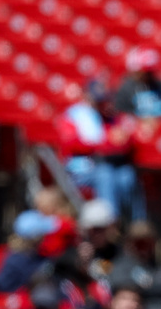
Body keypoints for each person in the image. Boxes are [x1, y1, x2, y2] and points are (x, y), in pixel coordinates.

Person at [59, 80, 144, 222]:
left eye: (101, 100)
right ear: (86, 95)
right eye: (95, 99)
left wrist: (115, 141)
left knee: (127, 175)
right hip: (80, 170)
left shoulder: (106, 116)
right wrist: (103, 144)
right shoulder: (74, 115)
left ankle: (137, 223)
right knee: (105, 175)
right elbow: (71, 144)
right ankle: (110, 222)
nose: (99, 103)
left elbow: (122, 141)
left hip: (106, 165)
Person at [108, 221, 161, 309]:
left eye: (148, 243)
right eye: (139, 244)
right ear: (129, 244)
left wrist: (147, 284)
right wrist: (155, 283)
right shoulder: (121, 265)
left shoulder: (160, 266)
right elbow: (118, 283)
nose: (144, 248)